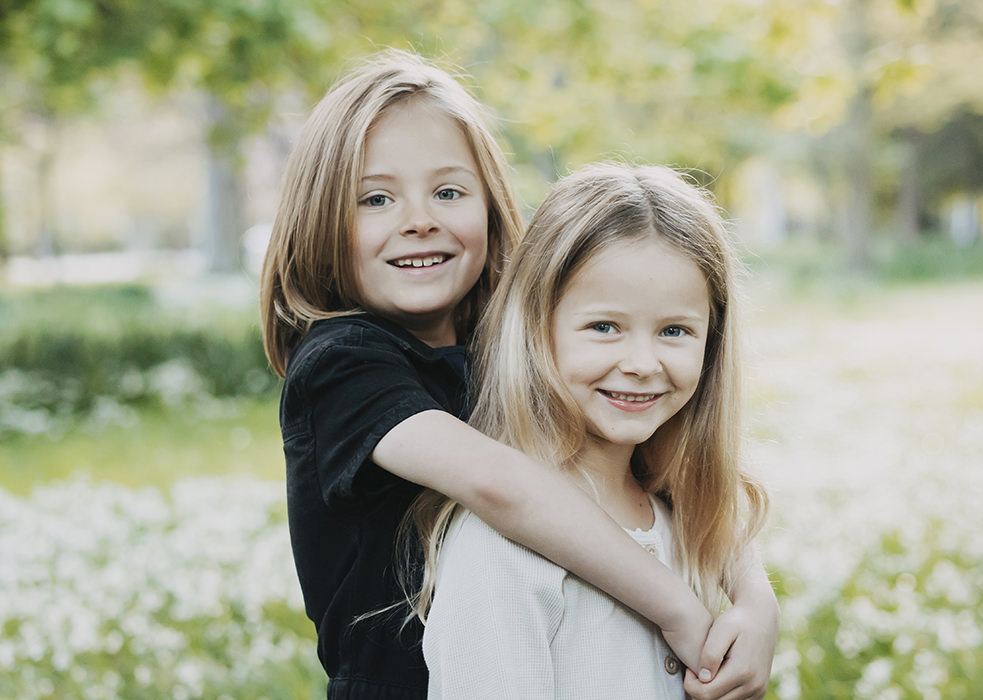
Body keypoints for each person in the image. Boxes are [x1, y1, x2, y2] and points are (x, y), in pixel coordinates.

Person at [260, 48, 777, 700]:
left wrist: (753, 597)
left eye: (448, 192)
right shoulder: (341, 365)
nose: (419, 219)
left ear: (489, 202)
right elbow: (500, 484)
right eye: (376, 198)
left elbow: (678, 469)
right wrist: (680, 611)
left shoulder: (502, 340)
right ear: (320, 214)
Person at [416, 162, 770, 699]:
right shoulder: (499, 551)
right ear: (538, 329)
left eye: (675, 331)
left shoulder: (684, 520)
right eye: (604, 327)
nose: (642, 362)